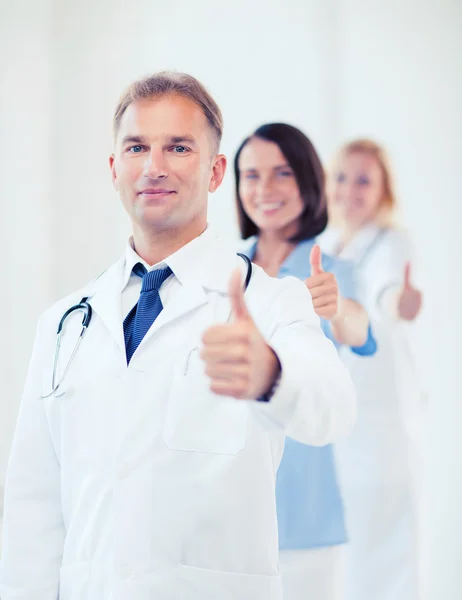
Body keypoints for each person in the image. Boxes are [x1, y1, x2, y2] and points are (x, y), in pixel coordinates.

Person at [0, 73, 356, 600]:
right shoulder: (62, 324)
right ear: (115, 168)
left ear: (215, 173)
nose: (154, 166)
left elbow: (334, 407)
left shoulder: (271, 301)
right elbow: (33, 506)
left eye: (179, 147)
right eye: (137, 146)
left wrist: (271, 375)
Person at [234, 122, 376, 600]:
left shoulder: (332, 272)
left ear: (309, 182)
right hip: (228, 501)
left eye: (283, 174)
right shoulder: (222, 269)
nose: (265, 189)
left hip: (304, 506)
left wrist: (336, 308)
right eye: (251, 175)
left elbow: (358, 331)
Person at [320, 138, 424, 600]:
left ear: (383, 191)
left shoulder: (390, 240)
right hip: (341, 417)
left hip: (378, 422)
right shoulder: (325, 244)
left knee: (385, 549)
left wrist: (399, 303)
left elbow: (386, 291)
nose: (351, 189)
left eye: (365, 179)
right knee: (349, 554)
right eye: (343, 176)